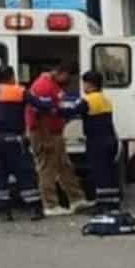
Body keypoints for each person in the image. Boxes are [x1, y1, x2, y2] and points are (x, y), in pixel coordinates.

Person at [0, 65, 52, 221]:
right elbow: (41, 105)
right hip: (14, 138)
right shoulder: (19, 91)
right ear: (12, 77)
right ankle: (34, 209)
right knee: (25, 173)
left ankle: (4, 211)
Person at [27, 61, 94, 216]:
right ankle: (50, 204)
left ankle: (76, 199)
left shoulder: (52, 84)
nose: (67, 80)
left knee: (64, 166)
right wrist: (46, 139)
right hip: (45, 133)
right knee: (47, 168)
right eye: (66, 76)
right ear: (59, 72)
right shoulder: (43, 86)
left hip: (55, 132)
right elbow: (40, 115)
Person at [60, 71, 122, 214]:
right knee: (109, 174)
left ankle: (102, 206)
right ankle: (113, 204)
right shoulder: (105, 99)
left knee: (100, 174)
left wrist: (53, 109)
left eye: (84, 84)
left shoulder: (89, 100)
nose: (83, 87)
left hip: (97, 142)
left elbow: (71, 112)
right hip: (110, 139)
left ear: (90, 84)